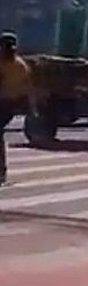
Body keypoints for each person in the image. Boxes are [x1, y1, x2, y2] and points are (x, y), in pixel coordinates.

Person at [0, 31, 37, 185]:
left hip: (5, 104)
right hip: (11, 105)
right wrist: (32, 108)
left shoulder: (9, 64)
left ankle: (1, 171)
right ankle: (1, 171)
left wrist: (32, 107)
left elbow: (28, 88)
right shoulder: (21, 65)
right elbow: (29, 89)